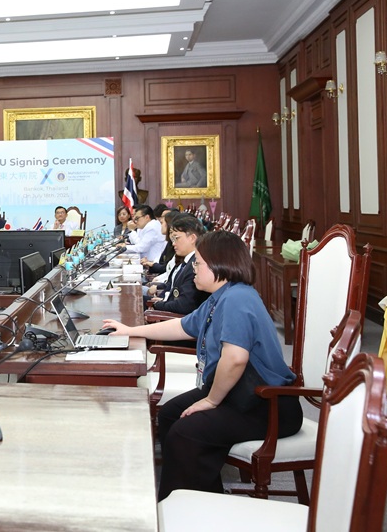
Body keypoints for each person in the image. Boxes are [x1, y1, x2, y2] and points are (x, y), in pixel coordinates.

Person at [102, 231, 301, 500]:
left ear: (220, 265)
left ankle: (186, 503)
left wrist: (211, 401)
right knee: (171, 414)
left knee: (187, 432)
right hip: (241, 394)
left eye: (198, 263)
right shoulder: (221, 297)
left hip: (268, 404)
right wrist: (131, 329)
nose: (193, 268)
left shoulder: (237, 299)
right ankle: (200, 492)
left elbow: (235, 358)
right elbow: (183, 326)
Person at [146, 213, 210, 315]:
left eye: (177, 238)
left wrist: (158, 304)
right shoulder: (187, 262)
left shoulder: (196, 265)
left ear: (192, 238)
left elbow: (185, 305)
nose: (173, 243)